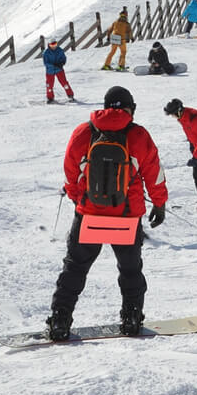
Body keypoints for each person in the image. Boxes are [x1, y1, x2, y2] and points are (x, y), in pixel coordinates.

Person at [45, 86, 169, 339]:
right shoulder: (138, 135)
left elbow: (70, 170)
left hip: (89, 215)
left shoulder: (84, 132)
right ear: (130, 108)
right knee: (130, 270)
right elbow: (154, 174)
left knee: (75, 269)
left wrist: (77, 198)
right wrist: (159, 203)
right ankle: (132, 317)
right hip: (126, 217)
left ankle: (60, 320)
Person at [42, 39, 75, 104]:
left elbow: (64, 58)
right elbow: (46, 63)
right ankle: (50, 98)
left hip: (59, 70)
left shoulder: (60, 50)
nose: (54, 46)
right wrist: (54, 65)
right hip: (50, 71)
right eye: (52, 45)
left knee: (64, 83)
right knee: (49, 85)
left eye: (55, 44)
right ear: (49, 45)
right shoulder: (46, 53)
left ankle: (70, 95)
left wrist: (62, 63)